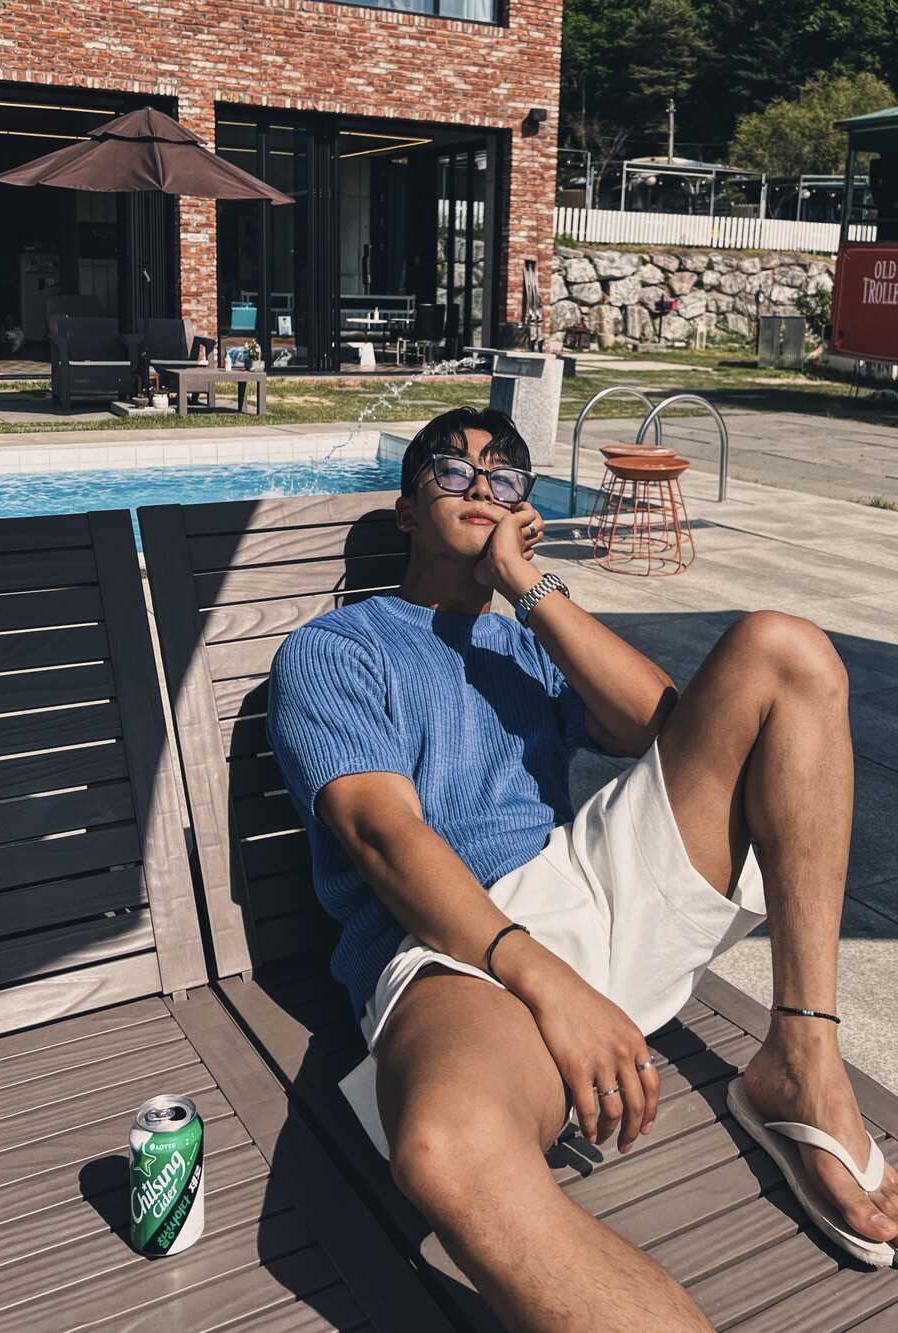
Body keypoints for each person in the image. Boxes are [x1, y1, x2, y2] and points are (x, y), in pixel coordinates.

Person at [267, 406, 898, 1331]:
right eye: (452, 469)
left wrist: (528, 585)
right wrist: (548, 981)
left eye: (504, 476)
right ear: (405, 508)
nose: (482, 486)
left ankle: (802, 1054)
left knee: (786, 651)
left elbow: (665, 724)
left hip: (586, 877)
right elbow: (384, 838)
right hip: (455, 946)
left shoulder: (531, 640)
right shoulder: (338, 648)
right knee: (447, 1150)